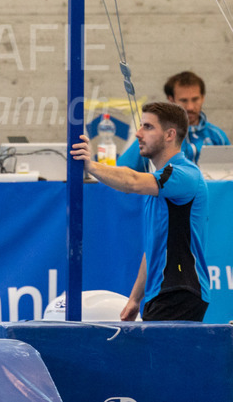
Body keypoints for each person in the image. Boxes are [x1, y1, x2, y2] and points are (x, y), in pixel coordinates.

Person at [72, 101, 209, 321]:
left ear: (169, 135)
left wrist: (91, 165)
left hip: (179, 289)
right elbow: (153, 246)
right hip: (160, 292)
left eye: (147, 127)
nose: (138, 133)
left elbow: (132, 180)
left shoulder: (184, 175)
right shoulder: (160, 186)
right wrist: (136, 299)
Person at [117, 70, 229, 170]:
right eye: (183, 100)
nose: (190, 107)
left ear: (203, 98)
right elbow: (122, 171)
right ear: (171, 100)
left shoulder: (217, 136)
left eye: (195, 99)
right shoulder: (154, 135)